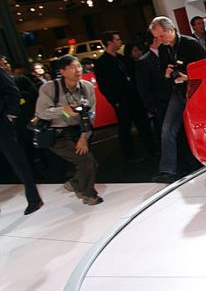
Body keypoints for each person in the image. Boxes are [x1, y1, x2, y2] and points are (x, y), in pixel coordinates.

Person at [35, 55, 102, 205]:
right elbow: (41, 112)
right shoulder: (50, 87)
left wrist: (84, 138)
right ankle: (88, 195)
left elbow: (91, 115)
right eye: (72, 67)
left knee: (90, 163)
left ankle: (75, 184)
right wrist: (64, 110)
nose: (77, 70)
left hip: (79, 131)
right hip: (57, 134)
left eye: (78, 66)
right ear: (62, 71)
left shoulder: (87, 87)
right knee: (86, 162)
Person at [149, 16, 206, 184]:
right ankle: (167, 171)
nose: (160, 40)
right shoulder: (163, 49)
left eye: (162, 36)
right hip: (177, 93)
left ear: (171, 29)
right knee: (167, 129)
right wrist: (167, 74)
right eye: (157, 37)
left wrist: (188, 77)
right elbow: (164, 71)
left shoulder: (190, 44)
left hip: (196, 92)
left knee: (201, 128)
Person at [93, 31, 154, 162]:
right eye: (117, 39)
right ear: (110, 42)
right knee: (125, 128)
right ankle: (129, 155)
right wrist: (114, 101)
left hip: (135, 97)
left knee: (144, 124)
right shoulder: (101, 63)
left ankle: (152, 149)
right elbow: (104, 85)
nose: (120, 42)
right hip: (121, 100)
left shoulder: (123, 59)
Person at [0, 55, 43, 215]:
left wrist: (11, 114)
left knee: (18, 162)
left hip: (2, 125)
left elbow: (12, 91)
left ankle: (34, 199)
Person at [135, 34, 170, 147]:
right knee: (165, 135)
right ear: (155, 40)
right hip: (159, 104)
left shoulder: (168, 54)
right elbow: (143, 87)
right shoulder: (143, 61)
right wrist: (152, 107)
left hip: (175, 99)